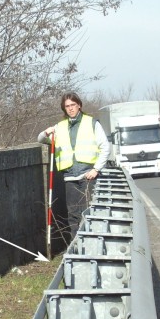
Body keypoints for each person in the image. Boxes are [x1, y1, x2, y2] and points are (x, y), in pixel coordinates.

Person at [38, 92, 110, 240]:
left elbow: (105, 147)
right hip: (70, 177)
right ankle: (75, 245)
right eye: (67, 106)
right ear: (64, 108)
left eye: (73, 105)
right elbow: (41, 139)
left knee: (88, 212)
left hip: (88, 175)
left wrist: (96, 169)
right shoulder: (60, 127)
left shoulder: (91, 123)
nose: (70, 108)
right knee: (73, 214)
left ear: (79, 105)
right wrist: (46, 132)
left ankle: (90, 243)